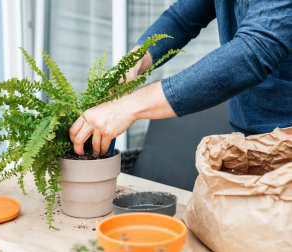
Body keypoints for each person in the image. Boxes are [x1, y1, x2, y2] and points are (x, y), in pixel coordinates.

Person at [69, 0, 292, 157]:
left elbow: (254, 51)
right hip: (252, 138)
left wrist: (129, 107)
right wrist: (133, 63)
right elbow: (182, 18)